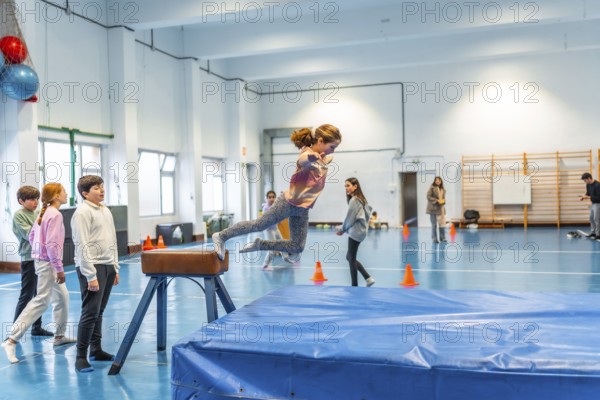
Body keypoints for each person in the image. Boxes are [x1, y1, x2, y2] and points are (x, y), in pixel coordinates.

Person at [212, 124, 342, 263]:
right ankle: (221, 236)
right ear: (320, 141)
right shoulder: (307, 154)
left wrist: (324, 160)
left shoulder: (323, 158)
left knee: (297, 247)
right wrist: (312, 158)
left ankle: (260, 245)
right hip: (288, 203)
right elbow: (302, 160)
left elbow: (320, 168)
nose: (332, 151)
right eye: (332, 147)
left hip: (303, 209)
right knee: (259, 225)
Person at [2, 183, 75, 364]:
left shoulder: (45, 213)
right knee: (41, 300)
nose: (67, 194)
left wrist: (37, 253)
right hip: (47, 263)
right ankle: (11, 340)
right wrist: (58, 268)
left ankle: (59, 336)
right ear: (57, 196)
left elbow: (34, 235)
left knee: (62, 297)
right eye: (64, 192)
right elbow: (51, 244)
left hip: (43, 260)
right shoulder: (55, 215)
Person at [71, 175, 120, 373]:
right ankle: (81, 357)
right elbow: (81, 245)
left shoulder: (105, 209)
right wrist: (90, 274)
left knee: (99, 311)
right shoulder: (82, 213)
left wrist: (115, 267)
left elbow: (112, 239)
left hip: (107, 266)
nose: (101, 190)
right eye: (96, 188)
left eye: (102, 186)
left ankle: (96, 350)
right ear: (85, 193)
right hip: (92, 267)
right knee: (90, 312)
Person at [12, 186, 53, 337]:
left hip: (41, 258)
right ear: (21, 201)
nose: (35, 202)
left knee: (39, 295)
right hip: (29, 259)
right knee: (26, 295)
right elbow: (31, 234)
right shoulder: (19, 215)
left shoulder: (37, 213)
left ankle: (37, 327)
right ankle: (14, 331)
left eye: (37, 199)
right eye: (31, 199)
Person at [336, 178, 375, 287]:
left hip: (356, 232)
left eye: (348, 185)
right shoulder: (361, 199)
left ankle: (354, 286)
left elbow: (349, 218)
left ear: (355, 186)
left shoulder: (354, 200)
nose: (346, 188)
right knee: (349, 257)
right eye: (345, 186)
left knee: (351, 258)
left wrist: (342, 229)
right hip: (360, 232)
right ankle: (368, 278)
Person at [261, 190, 283, 270]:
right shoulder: (266, 208)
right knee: (272, 249)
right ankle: (265, 265)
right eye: (269, 197)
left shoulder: (275, 205)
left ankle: (287, 258)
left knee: (282, 243)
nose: (271, 199)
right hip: (269, 230)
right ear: (267, 198)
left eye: (273, 197)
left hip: (275, 228)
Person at [580, 172, 600, 240]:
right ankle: (593, 232)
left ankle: (598, 234)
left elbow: (598, 197)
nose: (585, 182)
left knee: (596, 219)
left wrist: (588, 197)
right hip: (593, 203)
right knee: (591, 218)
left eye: (585, 180)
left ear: (589, 178)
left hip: (598, 204)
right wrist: (583, 197)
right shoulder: (588, 185)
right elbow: (588, 193)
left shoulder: (597, 185)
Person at [426, 176, 446, 243]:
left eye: (439, 180)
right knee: (434, 225)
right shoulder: (432, 188)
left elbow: (443, 198)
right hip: (433, 209)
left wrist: (443, 201)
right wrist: (436, 200)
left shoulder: (443, 189)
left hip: (441, 209)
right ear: (434, 181)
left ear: (441, 181)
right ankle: (434, 239)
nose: (437, 181)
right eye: (436, 180)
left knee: (442, 224)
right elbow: (428, 196)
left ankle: (442, 238)